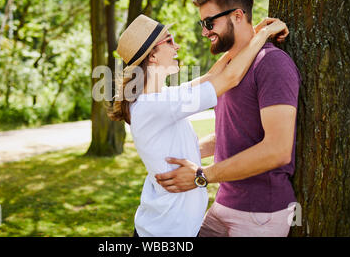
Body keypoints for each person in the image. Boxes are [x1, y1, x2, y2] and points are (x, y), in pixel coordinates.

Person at [107, 13, 289, 237]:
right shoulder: (153, 105)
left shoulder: (160, 97)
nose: (177, 46)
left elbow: (212, 75)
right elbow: (229, 78)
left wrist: (250, 35)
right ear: (152, 56)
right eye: (170, 41)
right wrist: (263, 35)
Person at [155, 0, 301, 237]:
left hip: (260, 215)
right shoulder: (230, 70)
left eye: (210, 23)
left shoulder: (272, 64)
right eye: (202, 24)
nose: (204, 32)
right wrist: (173, 158)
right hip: (224, 203)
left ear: (237, 15)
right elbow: (234, 132)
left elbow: (278, 151)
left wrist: (201, 176)